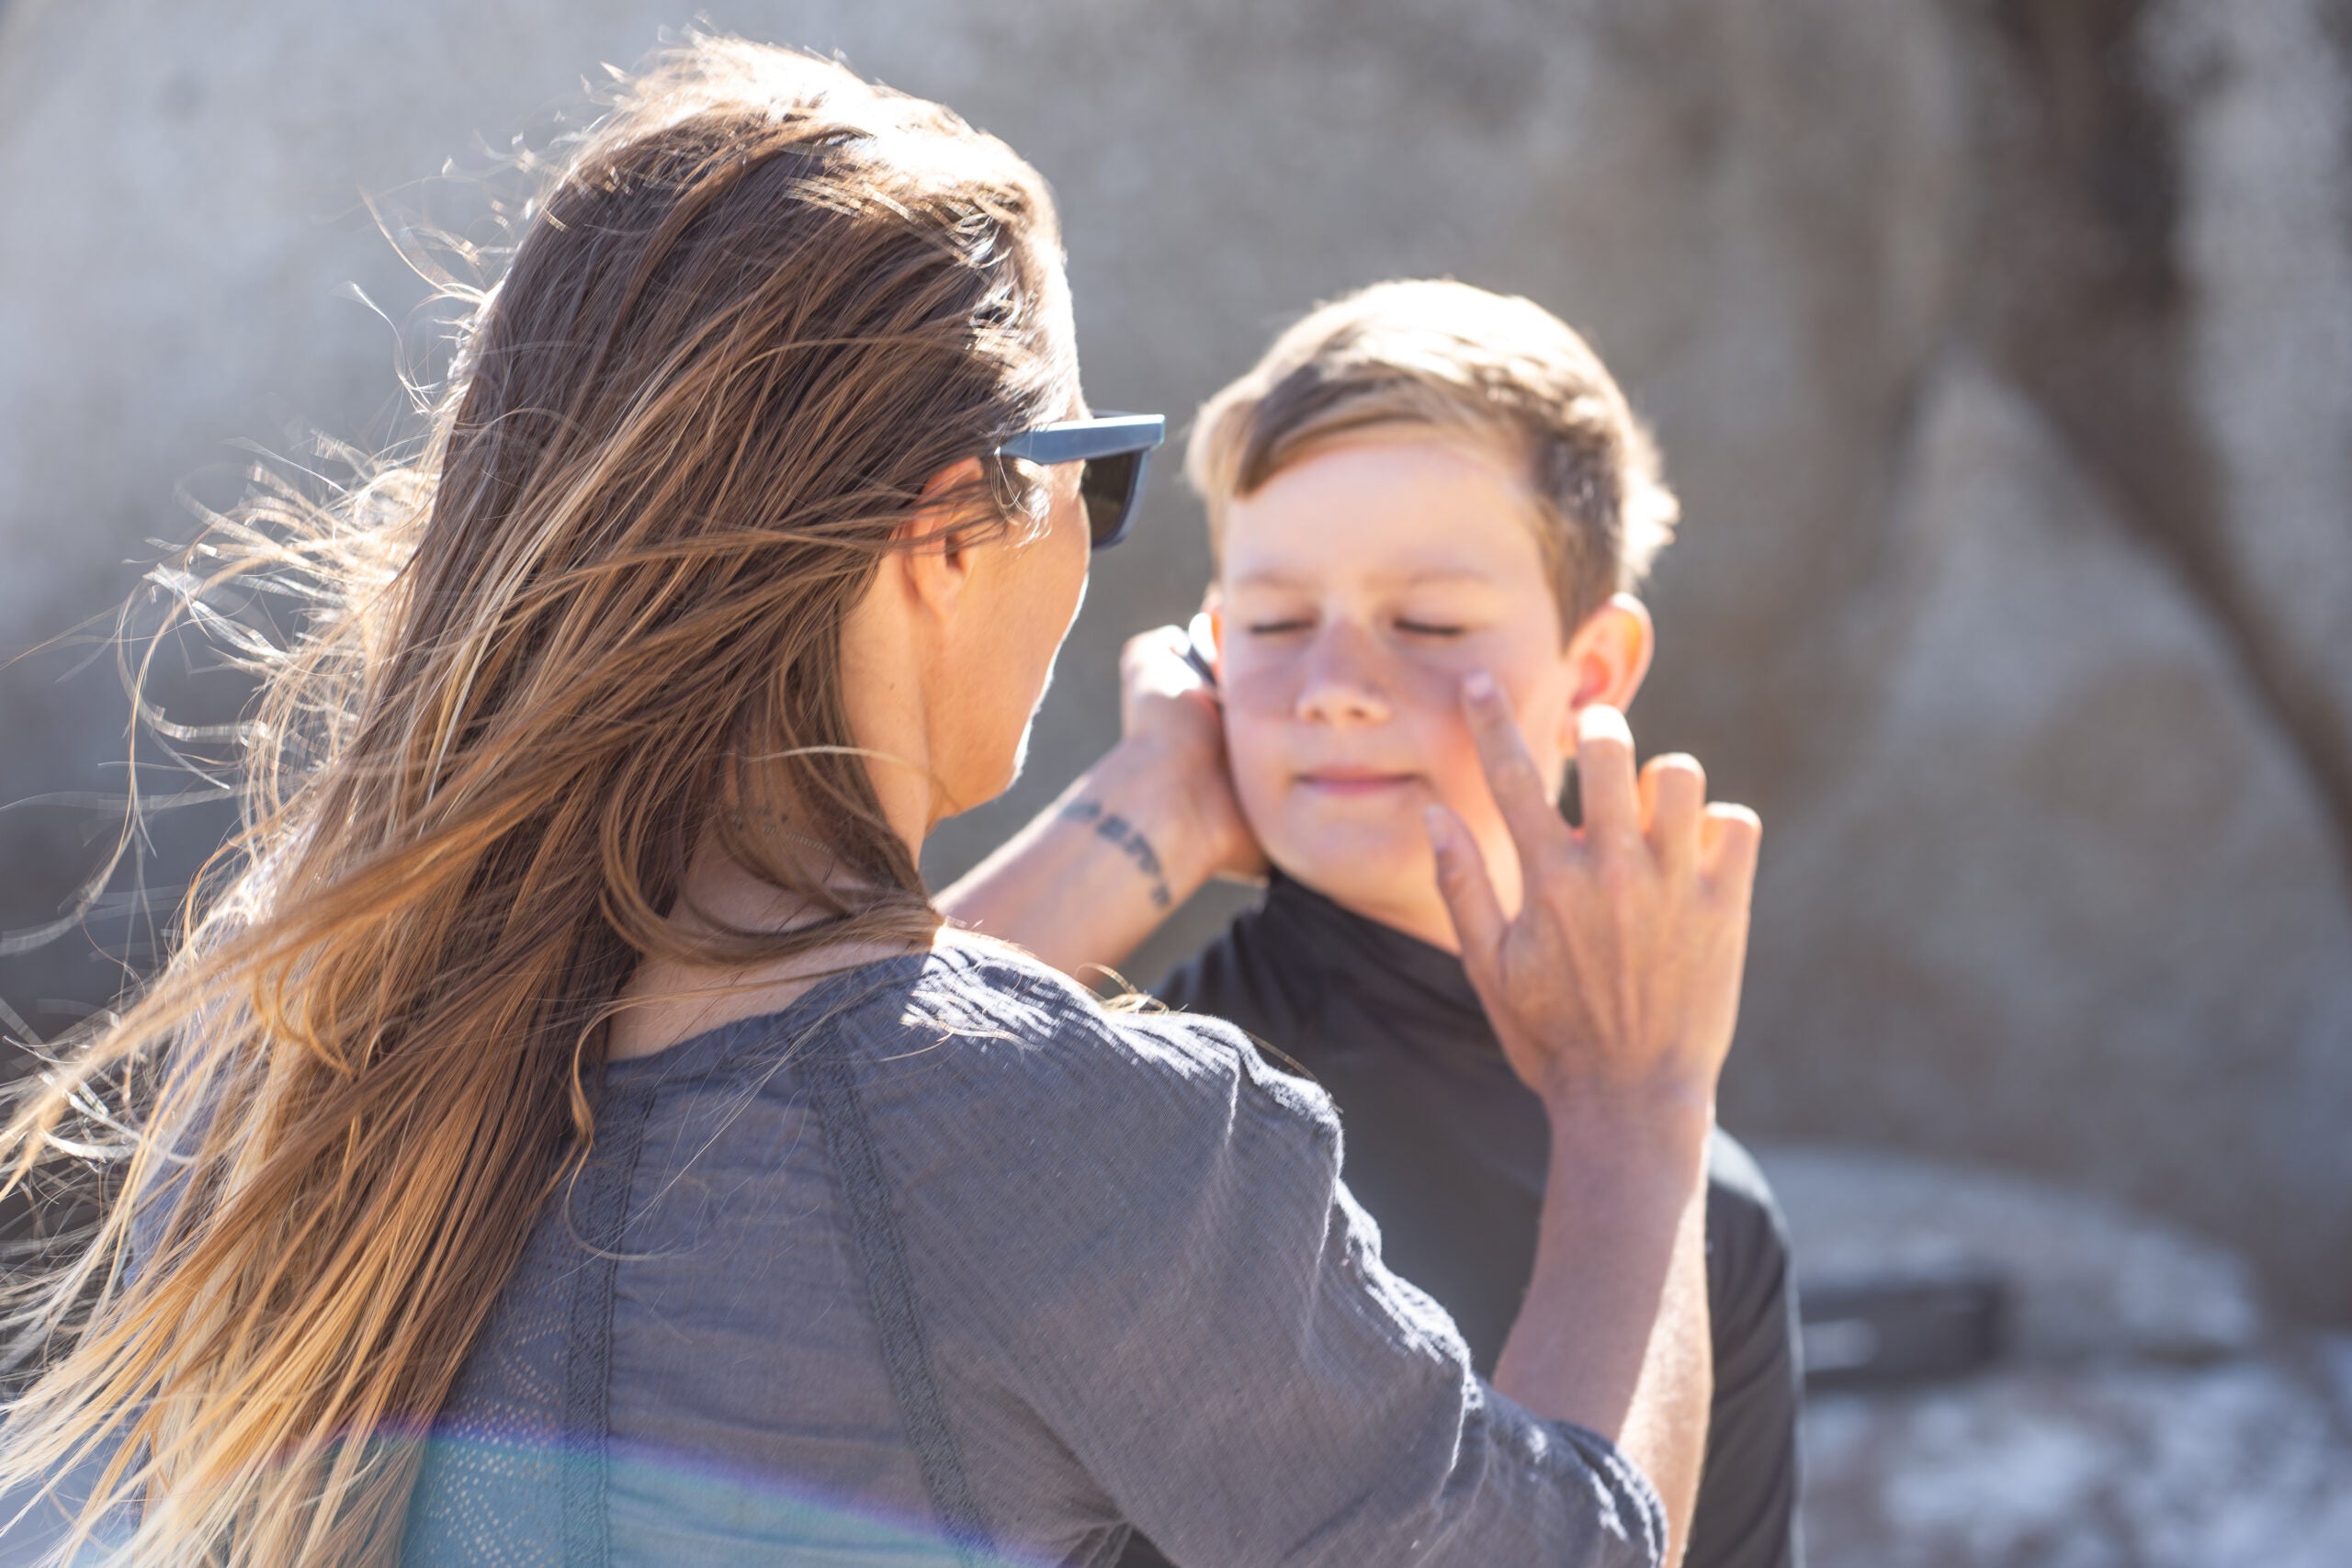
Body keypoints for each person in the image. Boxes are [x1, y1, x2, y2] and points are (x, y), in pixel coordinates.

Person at [0, 39, 1759, 1568]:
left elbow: (812, 1081)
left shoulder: (306, 1015)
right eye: (1094, 472)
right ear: (947, 531)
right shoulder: (1095, 1137)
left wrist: (1141, 821)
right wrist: (1637, 1106)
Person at [944, 282, 1800, 1566]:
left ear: (1595, 673)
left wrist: (1652, 1121)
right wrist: (1143, 810)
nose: (1339, 690)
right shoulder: (1129, 1097)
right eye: (1277, 625)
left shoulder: (1705, 1211)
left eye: (1429, 625)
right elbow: (773, 1109)